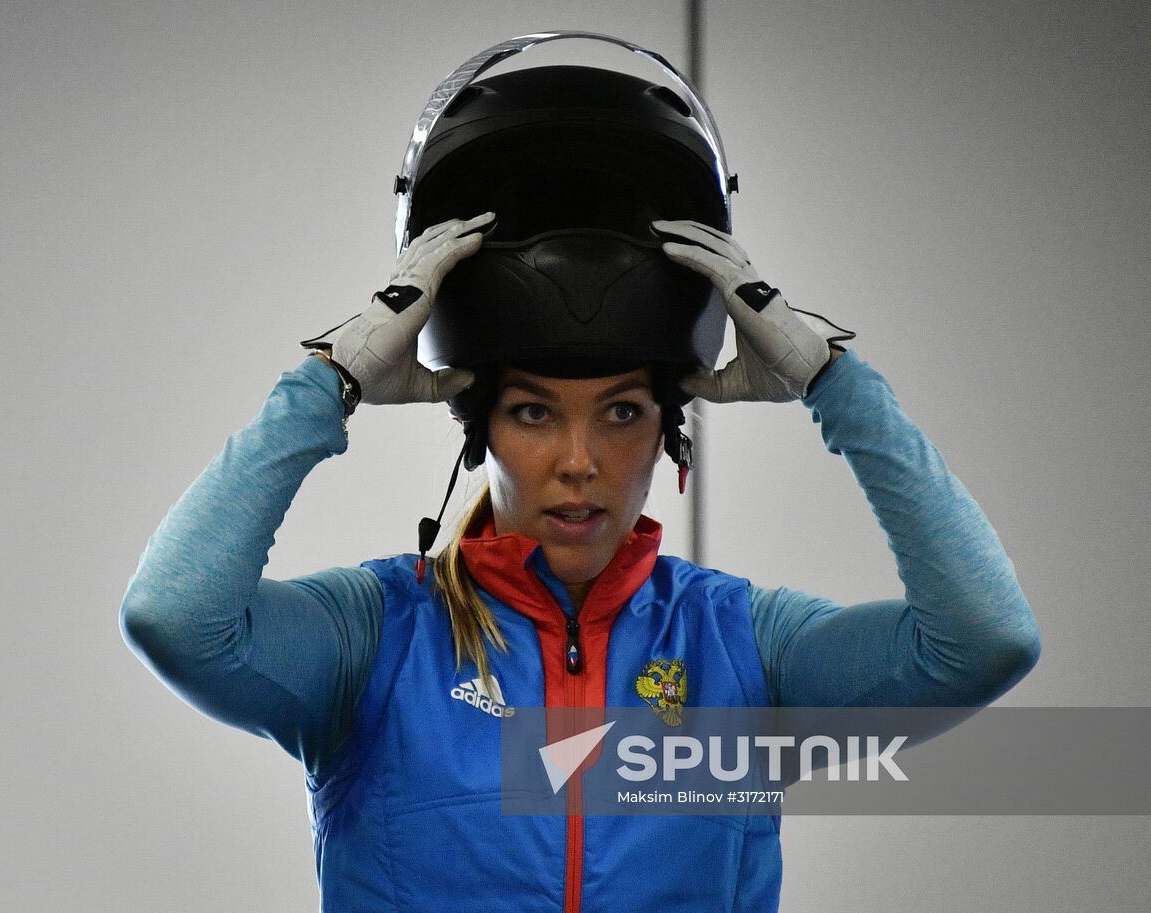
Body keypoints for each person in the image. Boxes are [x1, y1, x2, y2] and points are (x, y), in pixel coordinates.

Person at [119, 33, 1040, 913]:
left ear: (671, 437)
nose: (578, 461)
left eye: (622, 412)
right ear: (477, 432)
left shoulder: (743, 650)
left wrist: (835, 385)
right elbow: (176, 616)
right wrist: (328, 382)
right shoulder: (374, 638)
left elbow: (982, 639)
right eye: (532, 412)